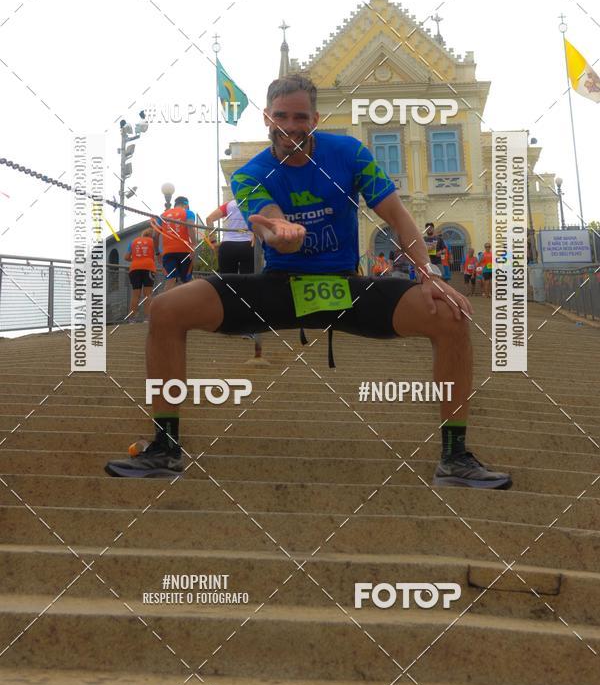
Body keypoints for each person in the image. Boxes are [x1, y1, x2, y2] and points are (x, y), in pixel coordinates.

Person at [105, 74, 511, 491]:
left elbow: (397, 216)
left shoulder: (349, 153)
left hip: (344, 286)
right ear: (267, 118)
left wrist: (429, 275)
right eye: (282, 116)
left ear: (315, 119)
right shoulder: (250, 174)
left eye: (301, 117)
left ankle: (455, 456)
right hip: (280, 287)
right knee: (167, 309)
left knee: (450, 314)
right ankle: (165, 446)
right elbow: (268, 218)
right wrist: (277, 229)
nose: (291, 126)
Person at [153, 196, 197, 291]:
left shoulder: (163, 215)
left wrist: (157, 253)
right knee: (187, 280)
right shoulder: (188, 213)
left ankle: (165, 305)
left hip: (168, 253)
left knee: (171, 280)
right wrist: (194, 246)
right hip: (184, 251)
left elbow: (154, 236)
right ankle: (188, 304)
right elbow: (190, 227)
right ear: (186, 205)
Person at [205, 198, 254, 274]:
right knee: (247, 281)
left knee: (226, 282)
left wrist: (213, 242)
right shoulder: (254, 202)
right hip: (248, 244)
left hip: (227, 245)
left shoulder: (229, 204)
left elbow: (209, 219)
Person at [125, 228, 156, 321]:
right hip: (148, 268)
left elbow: (126, 257)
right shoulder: (153, 242)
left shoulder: (133, 242)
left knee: (135, 295)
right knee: (148, 295)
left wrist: (136, 259)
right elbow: (157, 254)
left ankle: (131, 319)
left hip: (134, 269)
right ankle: (148, 319)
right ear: (151, 235)